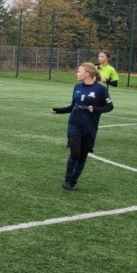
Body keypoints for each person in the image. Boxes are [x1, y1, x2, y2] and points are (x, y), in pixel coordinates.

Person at [52, 62, 114, 190]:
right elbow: (73, 106)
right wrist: (58, 110)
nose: (77, 73)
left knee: (82, 156)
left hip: (90, 128)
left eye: (79, 71)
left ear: (87, 73)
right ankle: (67, 179)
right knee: (75, 153)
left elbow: (109, 106)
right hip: (74, 125)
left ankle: (74, 181)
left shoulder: (100, 89)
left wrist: (95, 109)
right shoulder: (77, 87)